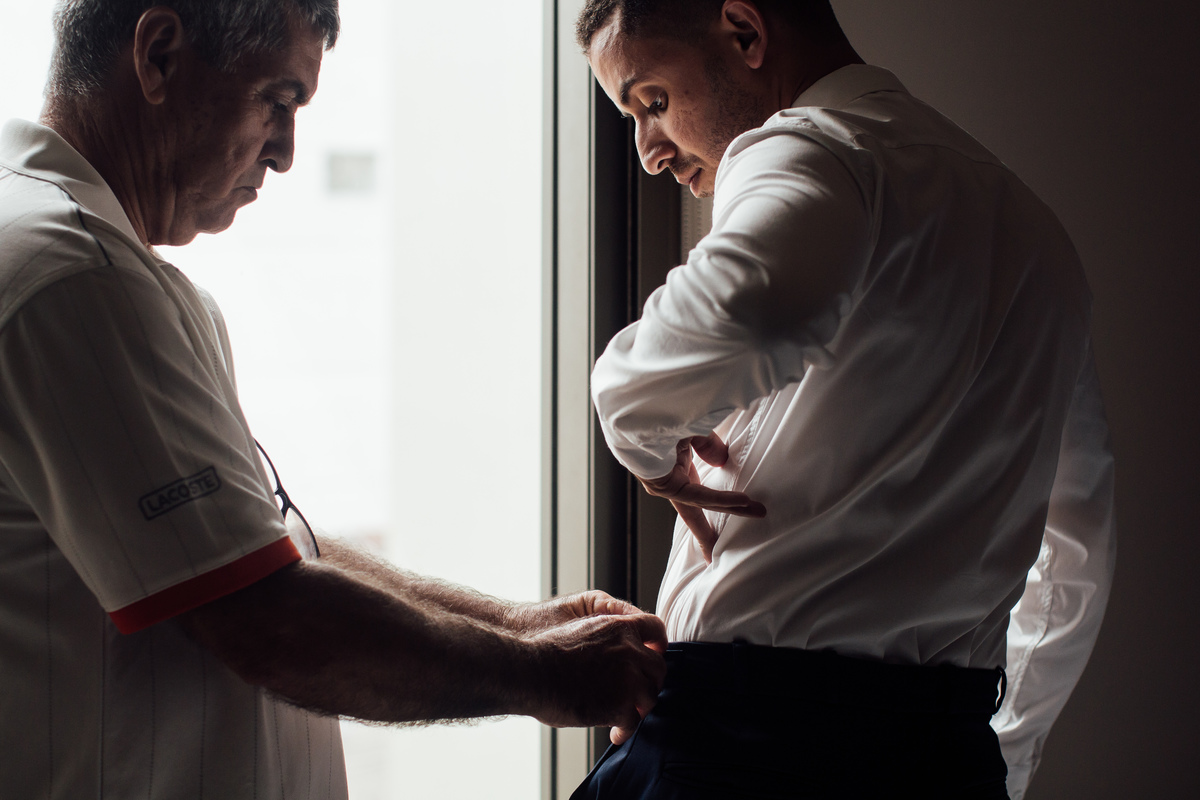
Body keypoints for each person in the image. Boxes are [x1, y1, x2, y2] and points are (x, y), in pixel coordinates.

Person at [0, 1, 667, 798]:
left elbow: (265, 550)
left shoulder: (95, 263)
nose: (283, 153)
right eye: (277, 101)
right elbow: (267, 618)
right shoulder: (71, 276)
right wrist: (544, 675)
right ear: (160, 55)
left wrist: (522, 625)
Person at [573, 1, 1116, 798]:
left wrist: (639, 428)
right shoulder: (1036, 232)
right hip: (945, 756)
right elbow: (1077, 548)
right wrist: (1004, 753)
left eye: (652, 101)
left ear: (746, 33)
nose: (649, 153)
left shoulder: (810, 147)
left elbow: (752, 312)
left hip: (743, 753)